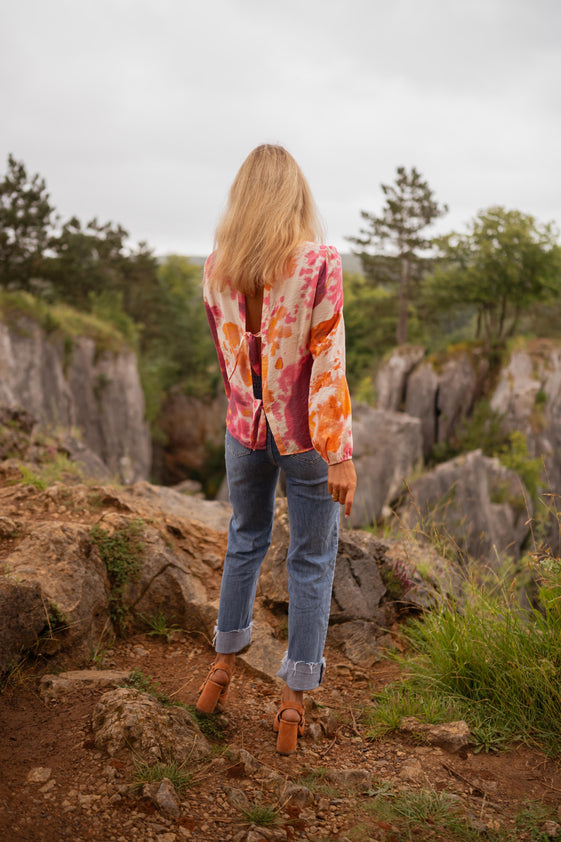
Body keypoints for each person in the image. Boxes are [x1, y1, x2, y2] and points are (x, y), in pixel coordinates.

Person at [196, 144, 357, 755]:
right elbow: (328, 361)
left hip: (245, 431)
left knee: (245, 541)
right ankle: (292, 706)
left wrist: (246, 410)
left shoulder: (216, 266)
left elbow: (227, 361)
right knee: (311, 561)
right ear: (295, 196)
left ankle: (220, 673)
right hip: (306, 438)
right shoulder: (318, 263)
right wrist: (339, 450)